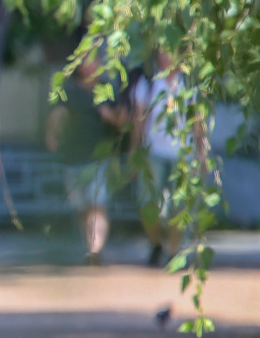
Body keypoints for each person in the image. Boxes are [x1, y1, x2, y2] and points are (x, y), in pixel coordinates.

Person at [46, 55, 135, 264]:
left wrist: (110, 116)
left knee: (98, 204)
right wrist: (51, 136)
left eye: (93, 61)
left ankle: (95, 249)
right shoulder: (69, 90)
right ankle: (90, 246)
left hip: (100, 158)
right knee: (81, 207)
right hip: (73, 157)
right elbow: (57, 114)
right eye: (85, 62)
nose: (89, 65)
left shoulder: (106, 90)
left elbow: (124, 121)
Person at [133, 49, 186, 266]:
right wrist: (135, 153)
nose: (165, 57)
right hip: (153, 152)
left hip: (182, 154)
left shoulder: (189, 84)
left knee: (179, 205)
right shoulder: (148, 83)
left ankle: (174, 252)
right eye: (162, 52)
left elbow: (199, 122)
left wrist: (202, 154)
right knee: (148, 203)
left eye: (170, 52)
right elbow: (139, 121)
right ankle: (156, 244)